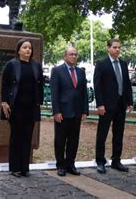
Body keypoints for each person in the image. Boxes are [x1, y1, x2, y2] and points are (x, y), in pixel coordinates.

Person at [1, 39, 44, 177]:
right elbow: (5, 84)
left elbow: (40, 84)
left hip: (31, 107)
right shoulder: (11, 65)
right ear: (19, 50)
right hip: (16, 106)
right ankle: (15, 168)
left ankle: (25, 167)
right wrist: (4, 102)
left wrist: (40, 102)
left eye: (30, 48)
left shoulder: (36, 66)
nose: (28, 50)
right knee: (16, 137)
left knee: (27, 137)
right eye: (25, 47)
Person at [94, 38, 133, 174]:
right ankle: (100, 161)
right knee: (102, 134)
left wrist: (130, 101)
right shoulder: (102, 64)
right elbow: (97, 86)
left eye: (119, 47)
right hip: (106, 105)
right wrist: (100, 104)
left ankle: (116, 160)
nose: (117, 50)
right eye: (115, 47)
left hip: (121, 105)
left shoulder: (123, 64)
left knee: (118, 134)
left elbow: (127, 83)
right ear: (108, 48)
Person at [50, 46, 88, 177]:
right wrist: (56, 111)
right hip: (63, 112)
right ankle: (60, 165)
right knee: (60, 140)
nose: (74, 56)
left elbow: (84, 93)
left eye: (75, 54)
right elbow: (54, 93)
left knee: (74, 140)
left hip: (77, 111)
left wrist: (85, 110)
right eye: (71, 54)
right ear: (64, 56)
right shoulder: (57, 71)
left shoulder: (81, 71)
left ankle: (70, 164)